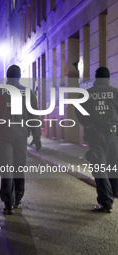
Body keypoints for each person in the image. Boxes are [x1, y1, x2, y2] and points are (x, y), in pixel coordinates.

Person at [0, 65, 41, 215]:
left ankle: (8, 202)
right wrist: (37, 136)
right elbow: (34, 116)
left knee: (6, 167)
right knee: (19, 166)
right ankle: (17, 199)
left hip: (3, 134)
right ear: (20, 76)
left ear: (7, 77)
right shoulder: (28, 93)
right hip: (21, 134)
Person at [76, 67, 118, 213]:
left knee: (100, 169)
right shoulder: (115, 92)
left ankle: (106, 201)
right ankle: (113, 193)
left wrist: (88, 123)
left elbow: (79, 111)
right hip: (114, 136)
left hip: (96, 136)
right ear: (108, 78)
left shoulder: (88, 94)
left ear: (96, 78)